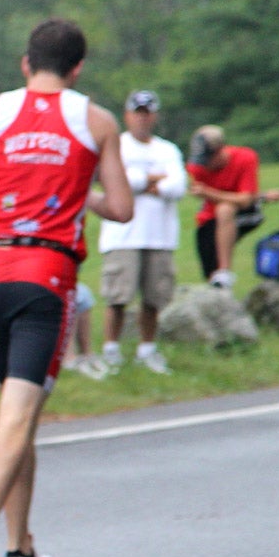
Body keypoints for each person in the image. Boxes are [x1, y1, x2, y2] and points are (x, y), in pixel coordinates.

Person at [0, 20, 132, 557]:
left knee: (17, 415)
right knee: (18, 417)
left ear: (26, 64)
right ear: (77, 70)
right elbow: (120, 206)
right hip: (44, 280)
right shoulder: (95, 122)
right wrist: (78, 195)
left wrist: (3, 196)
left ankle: (21, 552)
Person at [97, 90, 184, 375]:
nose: (142, 118)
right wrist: (150, 179)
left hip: (159, 234)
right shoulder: (117, 145)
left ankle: (147, 349)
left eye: (147, 113)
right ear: (127, 115)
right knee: (118, 297)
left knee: (153, 297)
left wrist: (141, 183)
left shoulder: (167, 150)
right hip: (124, 235)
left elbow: (178, 186)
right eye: (137, 112)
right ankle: (111, 349)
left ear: (154, 116)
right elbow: (115, 180)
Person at [186, 126, 279, 289]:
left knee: (225, 209)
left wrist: (208, 193)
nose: (204, 165)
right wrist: (263, 195)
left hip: (246, 212)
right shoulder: (196, 167)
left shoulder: (245, 158)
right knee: (210, 270)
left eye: (207, 159)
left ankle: (225, 270)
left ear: (219, 151)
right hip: (210, 218)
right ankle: (220, 288)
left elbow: (245, 200)